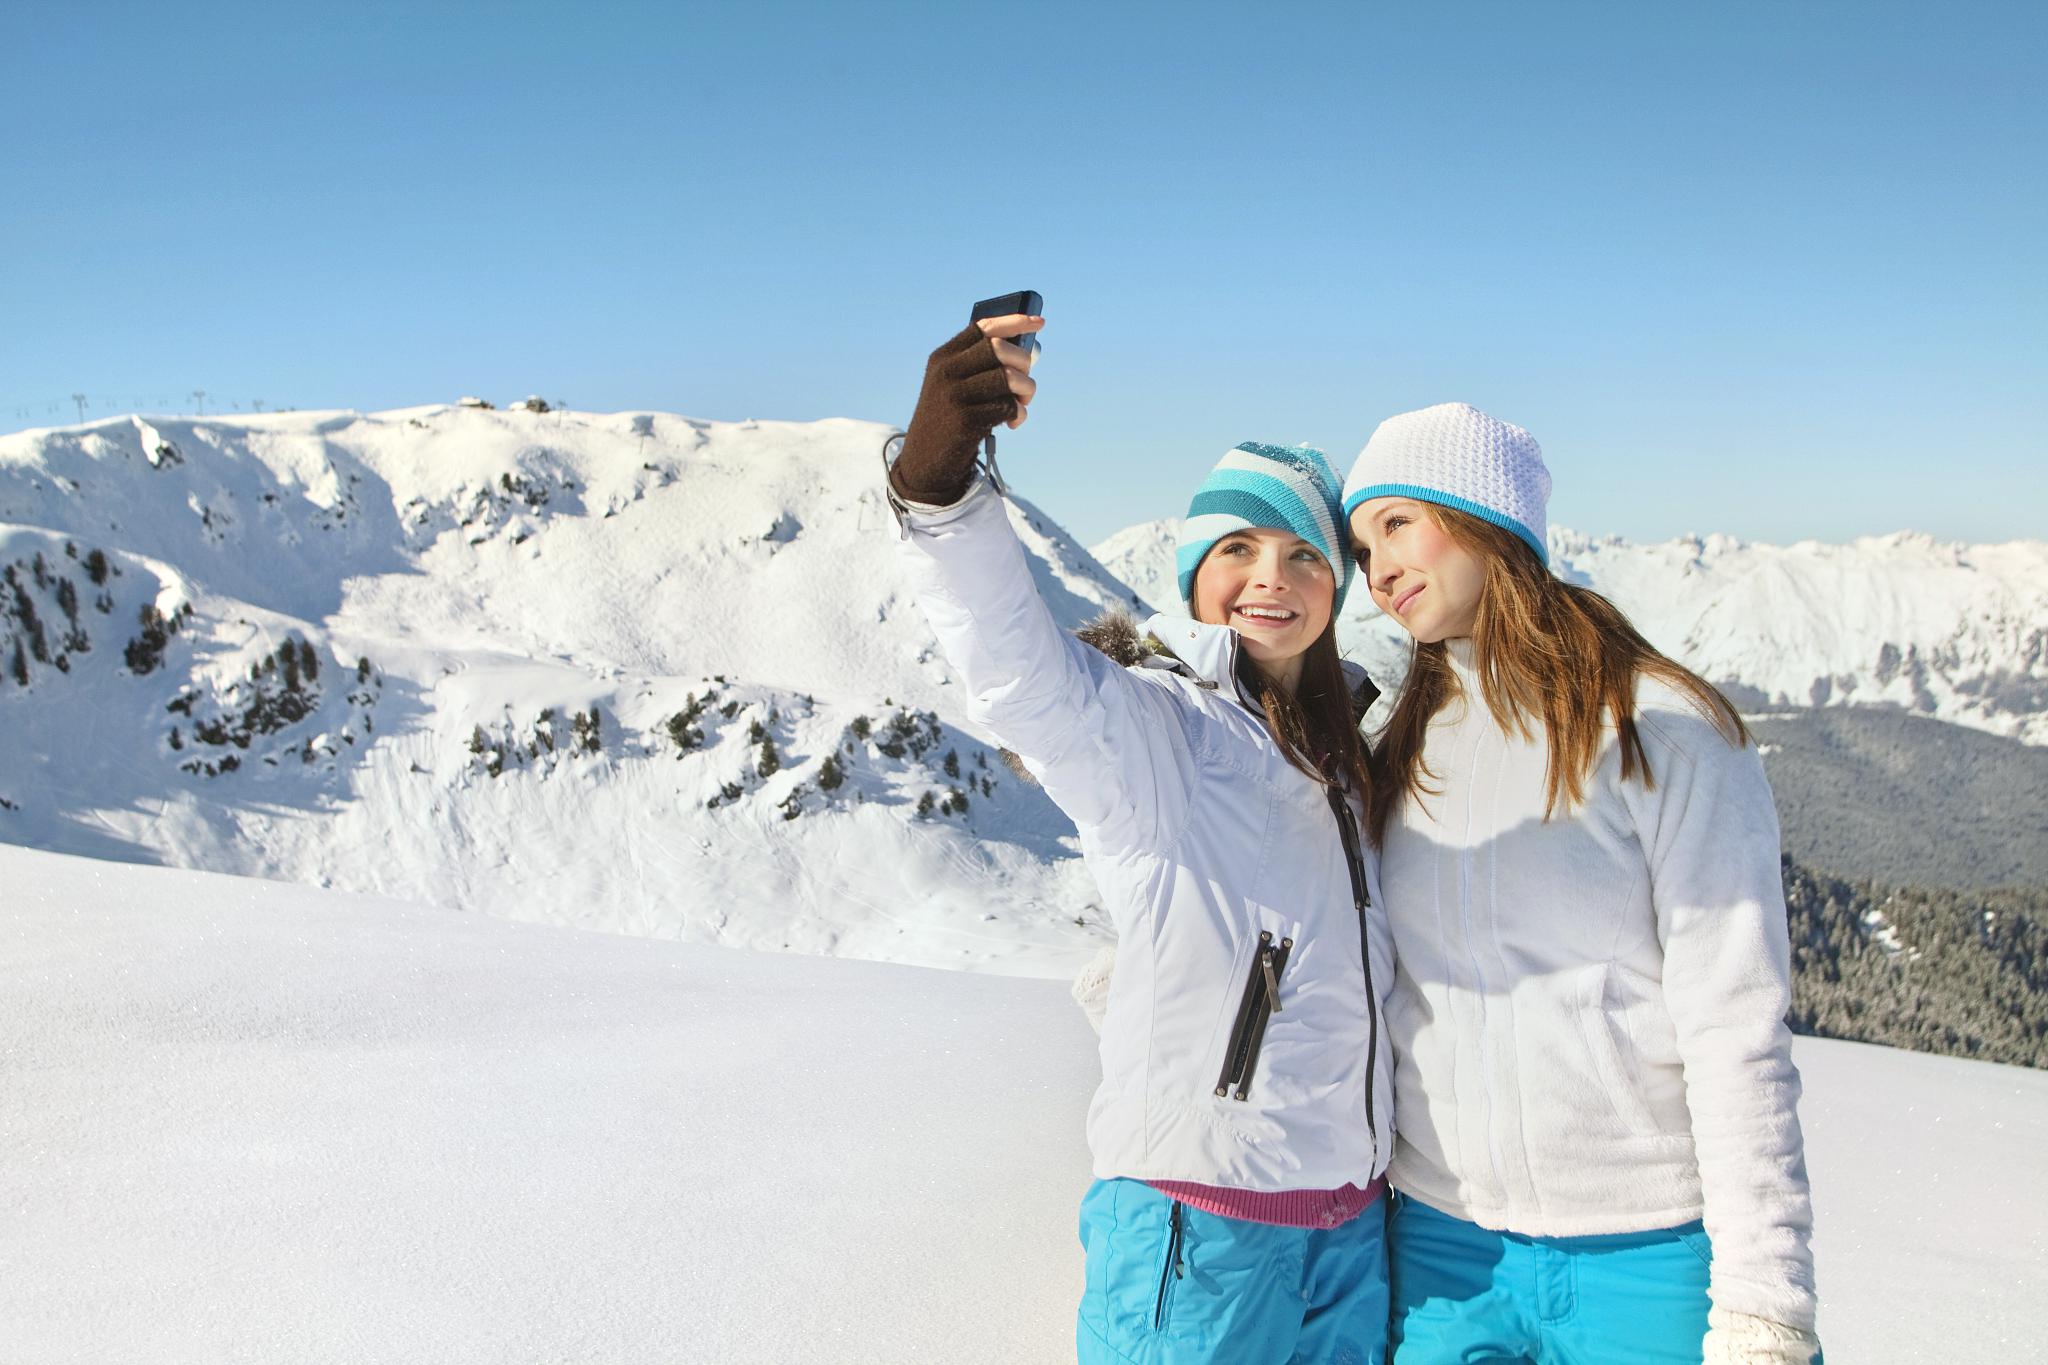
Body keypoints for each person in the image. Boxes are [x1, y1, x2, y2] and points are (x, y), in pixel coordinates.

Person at [886, 313, 1396, 1364]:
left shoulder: (1350, 760)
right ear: (1194, 575)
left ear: (1334, 591)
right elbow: (1023, 678)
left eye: (1303, 555)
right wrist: (938, 489)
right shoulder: (1162, 732)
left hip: (1349, 1224)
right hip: (1201, 1224)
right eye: (1238, 548)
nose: (1271, 576)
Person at [1342, 403, 1822, 1365]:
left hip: (1648, 1254)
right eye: (1360, 548)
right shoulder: (1400, 749)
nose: (1378, 569)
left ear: (1486, 518)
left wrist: (1766, 1308)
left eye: (1397, 523)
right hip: (1444, 1251)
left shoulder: (1661, 730)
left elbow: (1735, 1028)